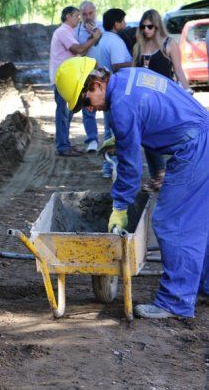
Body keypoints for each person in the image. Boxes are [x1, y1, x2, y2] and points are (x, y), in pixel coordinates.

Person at [55, 57, 209, 319]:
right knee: (197, 220)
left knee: (172, 221)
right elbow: (153, 110)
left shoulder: (122, 108)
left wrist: (119, 206)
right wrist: (126, 135)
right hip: (202, 136)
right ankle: (203, 285)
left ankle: (175, 301)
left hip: (195, 149)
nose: (89, 110)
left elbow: (130, 169)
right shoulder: (127, 78)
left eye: (85, 102)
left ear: (95, 85)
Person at [133, 9, 193, 192]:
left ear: (157, 26)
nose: (146, 30)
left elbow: (179, 70)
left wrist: (188, 92)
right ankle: (158, 175)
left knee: (169, 137)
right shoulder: (138, 47)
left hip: (166, 100)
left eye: (149, 26)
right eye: (142, 27)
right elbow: (134, 74)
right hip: (145, 101)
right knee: (147, 137)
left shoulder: (169, 44)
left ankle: (169, 176)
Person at [49, 6, 102, 156]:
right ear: (68, 16)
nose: (79, 19)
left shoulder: (67, 32)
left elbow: (81, 50)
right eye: (77, 16)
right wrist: (95, 38)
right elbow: (78, 50)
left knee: (67, 113)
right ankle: (63, 146)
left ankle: (65, 144)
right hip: (63, 80)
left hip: (67, 79)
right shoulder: (63, 32)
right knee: (64, 113)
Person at [92, 8, 133, 178]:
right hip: (116, 91)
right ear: (116, 24)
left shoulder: (102, 40)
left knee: (110, 130)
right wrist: (136, 63)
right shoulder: (115, 41)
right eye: (123, 21)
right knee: (118, 131)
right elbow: (117, 66)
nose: (125, 24)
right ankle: (115, 168)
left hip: (107, 89)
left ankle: (108, 167)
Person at [76, 1, 106, 153]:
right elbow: (78, 52)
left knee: (108, 107)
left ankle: (110, 138)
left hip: (103, 73)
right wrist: (91, 37)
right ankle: (92, 140)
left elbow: (104, 45)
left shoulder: (102, 27)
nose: (88, 17)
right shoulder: (77, 31)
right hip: (86, 73)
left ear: (95, 12)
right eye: (84, 14)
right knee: (88, 108)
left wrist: (95, 32)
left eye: (90, 13)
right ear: (80, 15)